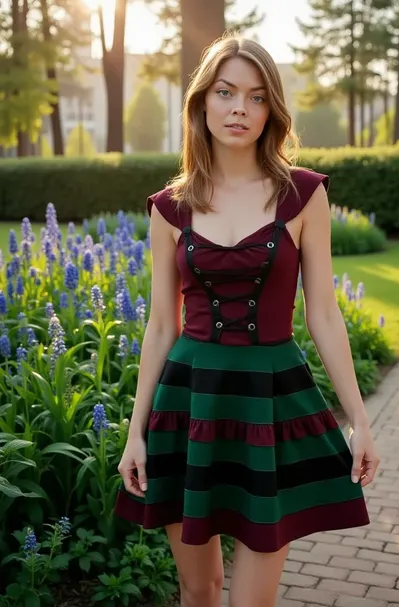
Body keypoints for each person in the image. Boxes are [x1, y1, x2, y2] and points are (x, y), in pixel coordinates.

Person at [115, 33, 380, 607]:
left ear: (272, 110)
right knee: (198, 587)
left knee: (251, 601)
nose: (240, 108)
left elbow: (325, 314)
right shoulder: (169, 207)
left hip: (270, 400)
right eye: (226, 92)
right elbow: (161, 324)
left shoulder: (304, 195)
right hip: (189, 402)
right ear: (201, 103)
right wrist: (136, 433)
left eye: (257, 97)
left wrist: (358, 418)